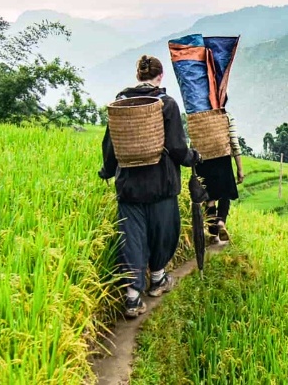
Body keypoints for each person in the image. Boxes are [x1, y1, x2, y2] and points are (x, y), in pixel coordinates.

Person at [99, 55, 201, 318]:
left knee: (131, 239)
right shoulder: (166, 104)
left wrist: (107, 171)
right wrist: (193, 158)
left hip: (129, 186)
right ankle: (157, 279)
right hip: (161, 184)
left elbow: (111, 143)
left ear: (138, 75)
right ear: (160, 76)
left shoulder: (120, 103)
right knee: (163, 234)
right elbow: (177, 148)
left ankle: (132, 298)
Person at [196, 112, 244, 244]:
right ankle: (221, 222)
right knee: (224, 194)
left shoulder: (198, 117)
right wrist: (240, 168)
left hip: (203, 160)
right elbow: (234, 143)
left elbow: (193, 142)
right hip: (223, 159)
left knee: (210, 199)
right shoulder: (226, 116)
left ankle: (213, 234)